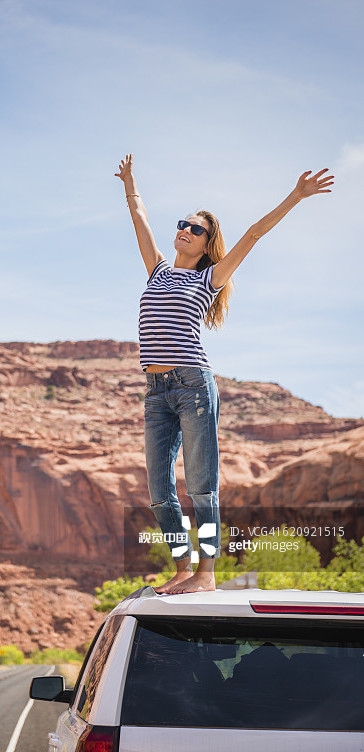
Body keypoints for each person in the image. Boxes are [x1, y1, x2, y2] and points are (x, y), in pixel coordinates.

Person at [115, 153, 334, 593]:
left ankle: (206, 576)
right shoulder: (157, 271)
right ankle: (182, 571)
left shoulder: (210, 277)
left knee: (201, 488)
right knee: (159, 491)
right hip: (156, 391)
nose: (185, 230)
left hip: (194, 385)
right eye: (183, 223)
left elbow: (253, 234)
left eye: (196, 228)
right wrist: (130, 182)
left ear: (206, 242)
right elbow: (138, 217)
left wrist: (296, 195)